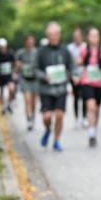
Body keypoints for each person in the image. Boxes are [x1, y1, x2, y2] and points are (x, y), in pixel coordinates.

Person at [36, 22, 72, 152]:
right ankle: (47, 129)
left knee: (59, 115)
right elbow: (36, 70)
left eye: (56, 34)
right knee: (46, 117)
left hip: (61, 89)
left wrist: (70, 75)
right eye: (51, 34)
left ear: (59, 35)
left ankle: (56, 140)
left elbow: (71, 68)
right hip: (46, 90)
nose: (53, 37)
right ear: (47, 35)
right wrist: (44, 76)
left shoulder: (65, 51)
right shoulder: (41, 51)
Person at [77, 27, 101, 148]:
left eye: (96, 35)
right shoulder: (84, 49)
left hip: (100, 83)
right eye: (92, 35)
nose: (94, 38)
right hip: (87, 81)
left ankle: (94, 129)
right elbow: (78, 62)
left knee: (97, 109)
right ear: (88, 37)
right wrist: (79, 61)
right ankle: (91, 134)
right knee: (91, 106)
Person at [16, 35, 40, 130]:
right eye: (28, 41)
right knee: (27, 100)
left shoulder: (37, 52)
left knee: (33, 102)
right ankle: (28, 119)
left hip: (35, 79)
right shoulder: (21, 53)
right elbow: (16, 66)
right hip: (25, 79)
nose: (30, 43)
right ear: (25, 42)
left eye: (32, 41)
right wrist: (20, 66)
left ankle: (33, 117)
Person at [67, 27, 86, 128]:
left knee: (84, 97)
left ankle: (84, 118)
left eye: (78, 36)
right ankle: (76, 119)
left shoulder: (85, 47)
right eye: (75, 36)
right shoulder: (69, 48)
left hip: (84, 75)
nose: (77, 38)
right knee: (75, 97)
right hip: (73, 75)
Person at [0, 38, 16, 114]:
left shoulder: (10, 54)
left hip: (9, 76)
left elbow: (14, 64)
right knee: (1, 91)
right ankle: (3, 107)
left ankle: (9, 104)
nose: (2, 48)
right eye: (0, 46)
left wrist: (14, 72)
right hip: (1, 76)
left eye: (3, 46)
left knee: (11, 89)